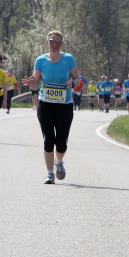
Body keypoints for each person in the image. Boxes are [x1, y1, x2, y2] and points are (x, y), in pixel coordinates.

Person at [22, 30, 81, 184]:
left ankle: (59, 161)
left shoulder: (68, 59)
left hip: (64, 105)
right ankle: (49, 174)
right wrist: (32, 84)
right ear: (47, 42)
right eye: (52, 41)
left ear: (61, 44)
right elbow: (36, 83)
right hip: (45, 104)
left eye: (58, 42)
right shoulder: (40, 60)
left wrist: (72, 83)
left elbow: (78, 79)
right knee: (48, 139)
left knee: (61, 141)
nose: (55, 44)